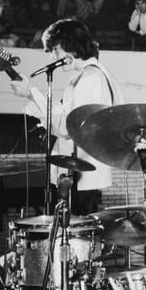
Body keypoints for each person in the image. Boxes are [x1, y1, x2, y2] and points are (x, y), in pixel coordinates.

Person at [10, 19, 124, 214]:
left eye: (55, 50)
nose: (53, 56)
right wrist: (32, 95)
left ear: (70, 46)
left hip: (81, 175)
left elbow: (68, 127)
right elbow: (67, 116)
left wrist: (32, 93)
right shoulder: (95, 74)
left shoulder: (89, 79)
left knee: (73, 237)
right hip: (84, 173)